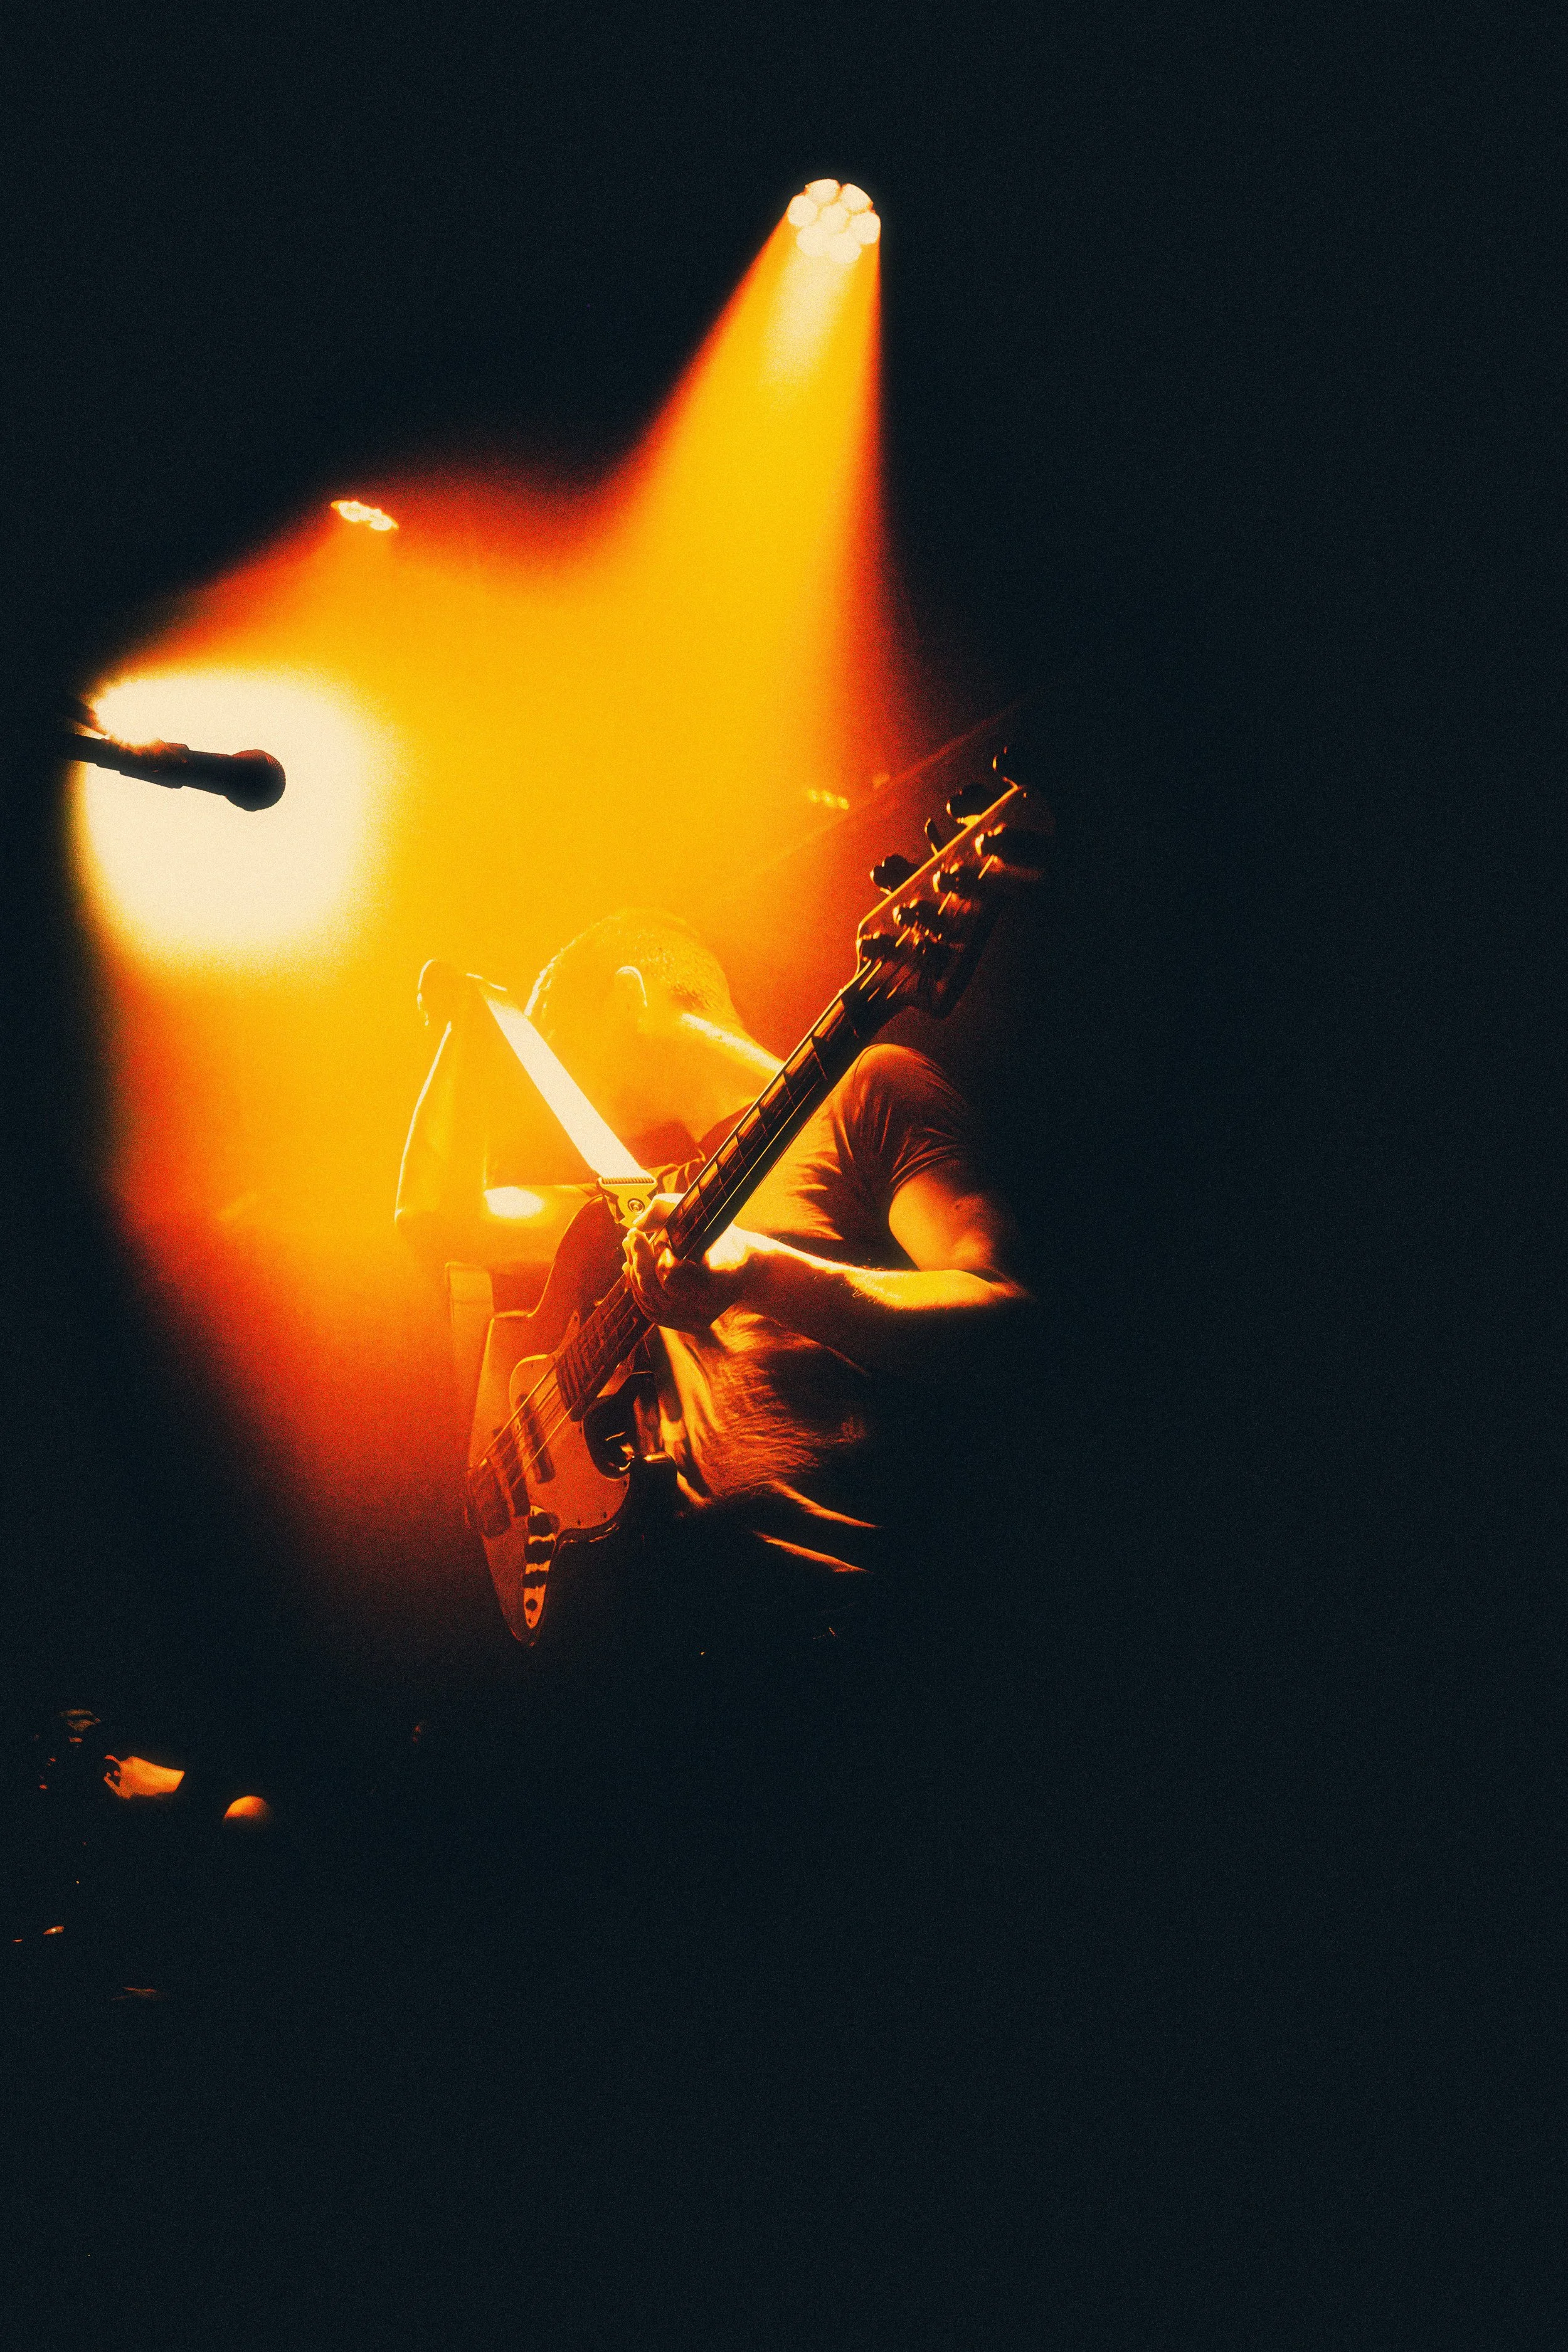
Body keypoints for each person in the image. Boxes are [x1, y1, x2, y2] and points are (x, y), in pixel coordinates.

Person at [520, 909, 1032, 1613]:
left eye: (557, 1048)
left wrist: (762, 1272)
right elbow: (433, 1219)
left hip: (868, 1620)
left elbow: (1005, 1319)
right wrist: (466, 1018)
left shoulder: (867, 1090)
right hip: (695, 1643)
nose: (554, 1091)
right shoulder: (649, 1205)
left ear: (630, 997)